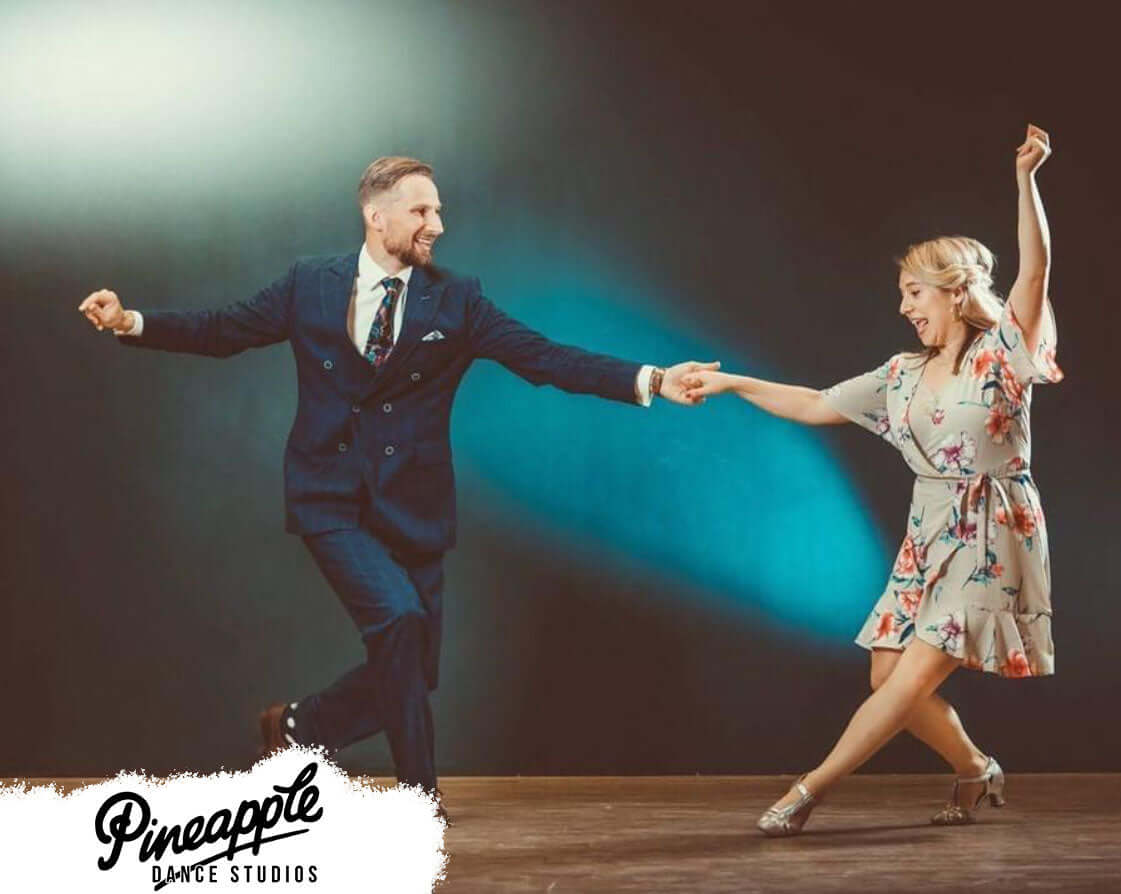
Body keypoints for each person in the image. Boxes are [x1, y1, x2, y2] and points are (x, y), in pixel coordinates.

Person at [77, 156, 716, 823]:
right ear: (375, 216)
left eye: (438, 210)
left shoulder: (458, 300)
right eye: (421, 210)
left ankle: (298, 728)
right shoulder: (308, 285)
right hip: (329, 500)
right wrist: (131, 322)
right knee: (400, 623)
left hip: (414, 508)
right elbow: (223, 330)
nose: (436, 224)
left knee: (415, 669)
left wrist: (651, 379)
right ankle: (418, 800)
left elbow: (545, 358)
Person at [682, 125, 1061, 835]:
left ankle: (807, 790)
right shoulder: (901, 374)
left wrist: (1025, 180)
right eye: (902, 295)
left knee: (911, 677)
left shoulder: (1004, 355)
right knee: (886, 676)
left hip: (991, 531)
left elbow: (1034, 275)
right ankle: (976, 767)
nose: (904, 307)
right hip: (928, 531)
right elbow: (814, 403)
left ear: (954, 292)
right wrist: (732, 383)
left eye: (914, 292)